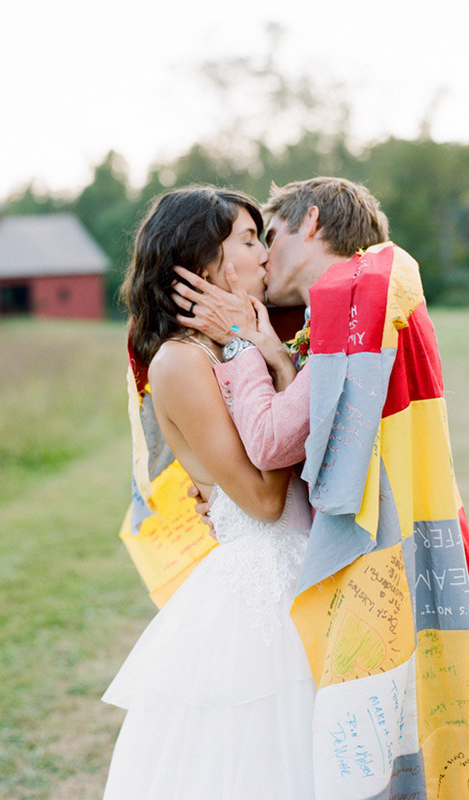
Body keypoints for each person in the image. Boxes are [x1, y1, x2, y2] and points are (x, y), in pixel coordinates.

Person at [172, 177, 469, 800]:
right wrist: (277, 358)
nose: (263, 256)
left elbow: (273, 442)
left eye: (269, 236)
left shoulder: (349, 301)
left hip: (369, 553)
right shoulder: (362, 297)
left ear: (310, 224)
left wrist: (242, 345)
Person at [102, 186, 316, 800]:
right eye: (249, 241)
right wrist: (266, 359)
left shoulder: (233, 344)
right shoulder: (181, 362)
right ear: (202, 263)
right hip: (262, 586)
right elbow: (263, 499)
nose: (266, 254)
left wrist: (266, 351)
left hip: (303, 568)